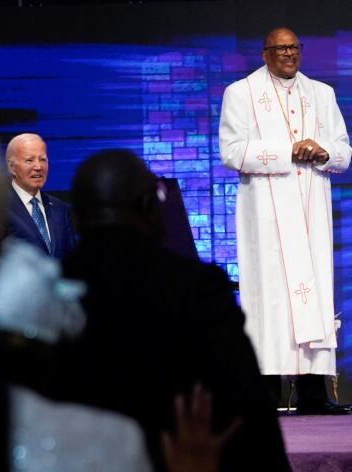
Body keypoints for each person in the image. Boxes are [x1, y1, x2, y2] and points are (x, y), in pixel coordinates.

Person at [38, 149, 290, 471]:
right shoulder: (197, 287)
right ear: (149, 208)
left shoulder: (46, 294)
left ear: (75, 219)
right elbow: (249, 411)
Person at [219, 27, 351, 415]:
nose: (288, 54)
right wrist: (287, 151)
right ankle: (265, 393)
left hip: (311, 211)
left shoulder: (322, 94)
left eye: (294, 48)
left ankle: (314, 393)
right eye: (280, 49)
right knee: (269, 299)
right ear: (264, 54)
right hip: (266, 214)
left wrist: (321, 151)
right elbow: (231, 151)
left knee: (315, 297)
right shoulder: (240, 93)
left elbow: (344, 150)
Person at [5, 133, 76, 258]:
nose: (38, 167)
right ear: (12, 167)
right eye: (29, 160)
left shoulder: (59, 209)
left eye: (43, 159)